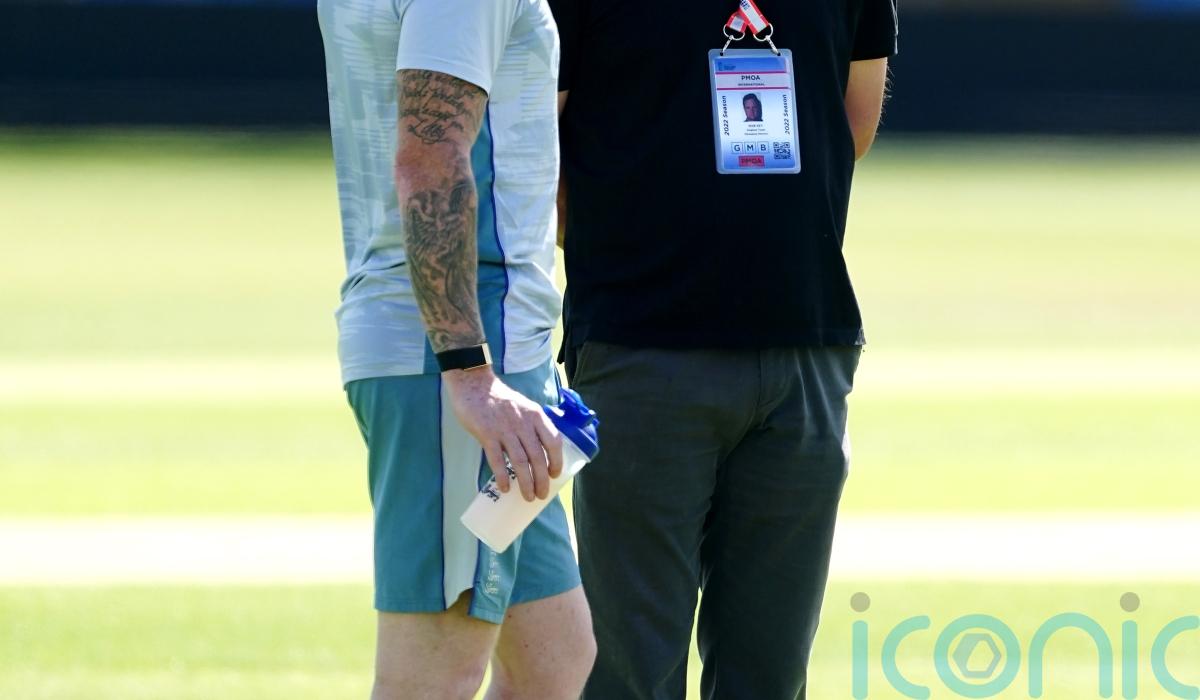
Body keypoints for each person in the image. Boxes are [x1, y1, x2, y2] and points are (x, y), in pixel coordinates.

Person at [550, 0, 898, 698]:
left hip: (797, 341)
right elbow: (536, 143)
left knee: (761, 674)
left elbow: (852, 124)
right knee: (631, 673)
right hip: (648, 340)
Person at [317, 0, 595, 698]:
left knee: (554, 665)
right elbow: (432, 155)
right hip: (460, 352)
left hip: (463, 344)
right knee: (434, 676)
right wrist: (471, 373)